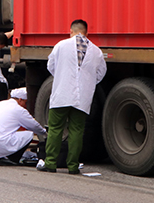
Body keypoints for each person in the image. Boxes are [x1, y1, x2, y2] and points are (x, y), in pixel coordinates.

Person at [38, 20, 107, 174]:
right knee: (77, 130)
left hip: (61, 94)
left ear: (71, 31)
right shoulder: (96, 51)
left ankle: (50, 163)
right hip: (82, 98)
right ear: (87, 33)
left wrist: (62, 77)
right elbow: (101, 73)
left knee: (55, 128)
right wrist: (87, 83)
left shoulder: (61, 46)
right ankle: (73, 166)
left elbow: (51, 66)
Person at [0, 88, 46, 166]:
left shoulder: (0, 104)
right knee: (29, 135)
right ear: (20, 100)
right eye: (25, 103)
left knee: (0, 133)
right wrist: (45, 133)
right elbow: (34, 126)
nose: (26, 106)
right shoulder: (18, 109)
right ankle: (11, 159)